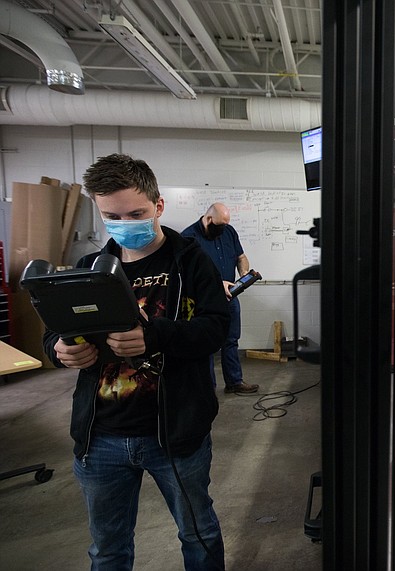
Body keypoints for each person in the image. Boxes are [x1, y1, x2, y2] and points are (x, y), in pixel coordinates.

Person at [43, 154, 229, 570]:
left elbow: (216, 329)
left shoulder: (190, 261)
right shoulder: (88, 268)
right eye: (112, 216)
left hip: (174, 435)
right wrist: (59, 348)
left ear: (159, 206)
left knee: (198, 534)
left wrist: (154, 336)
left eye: (136, 213)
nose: (125, 224)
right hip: (100, 438)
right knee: (107, 549)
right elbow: (55, 330)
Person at [181, 203, 259, 395]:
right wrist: (217, 283)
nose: (222, 230)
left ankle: (234, 381)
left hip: (230, 297)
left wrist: (244, 273)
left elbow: (241, 257)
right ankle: (208, 388)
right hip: (203, 301)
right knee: (206, 344)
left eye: (225, 225)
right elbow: (186, 274)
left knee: (231, 340)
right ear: (208, 220)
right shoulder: (188, 237)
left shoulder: (228, 232)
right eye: (219, 226)